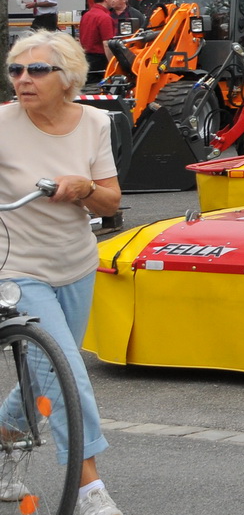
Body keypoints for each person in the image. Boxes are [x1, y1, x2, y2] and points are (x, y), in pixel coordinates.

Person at [0, 32, 124, 515]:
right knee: (65, 370)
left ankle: (8, 439)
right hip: (16, 266)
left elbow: (112, 201)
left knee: (42, 371)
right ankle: (89, 488)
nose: (23, 80)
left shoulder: (93, 122)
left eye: (35, 70)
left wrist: (84, 187)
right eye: (15, 70)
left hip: (75, 263)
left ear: (67, 77)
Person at [79, 0, 121, 77]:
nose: (113, 1)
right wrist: (112, 65)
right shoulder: (104, 17)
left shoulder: (86, 15)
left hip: (86, 57)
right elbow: (107, 44)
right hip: (100, 60)